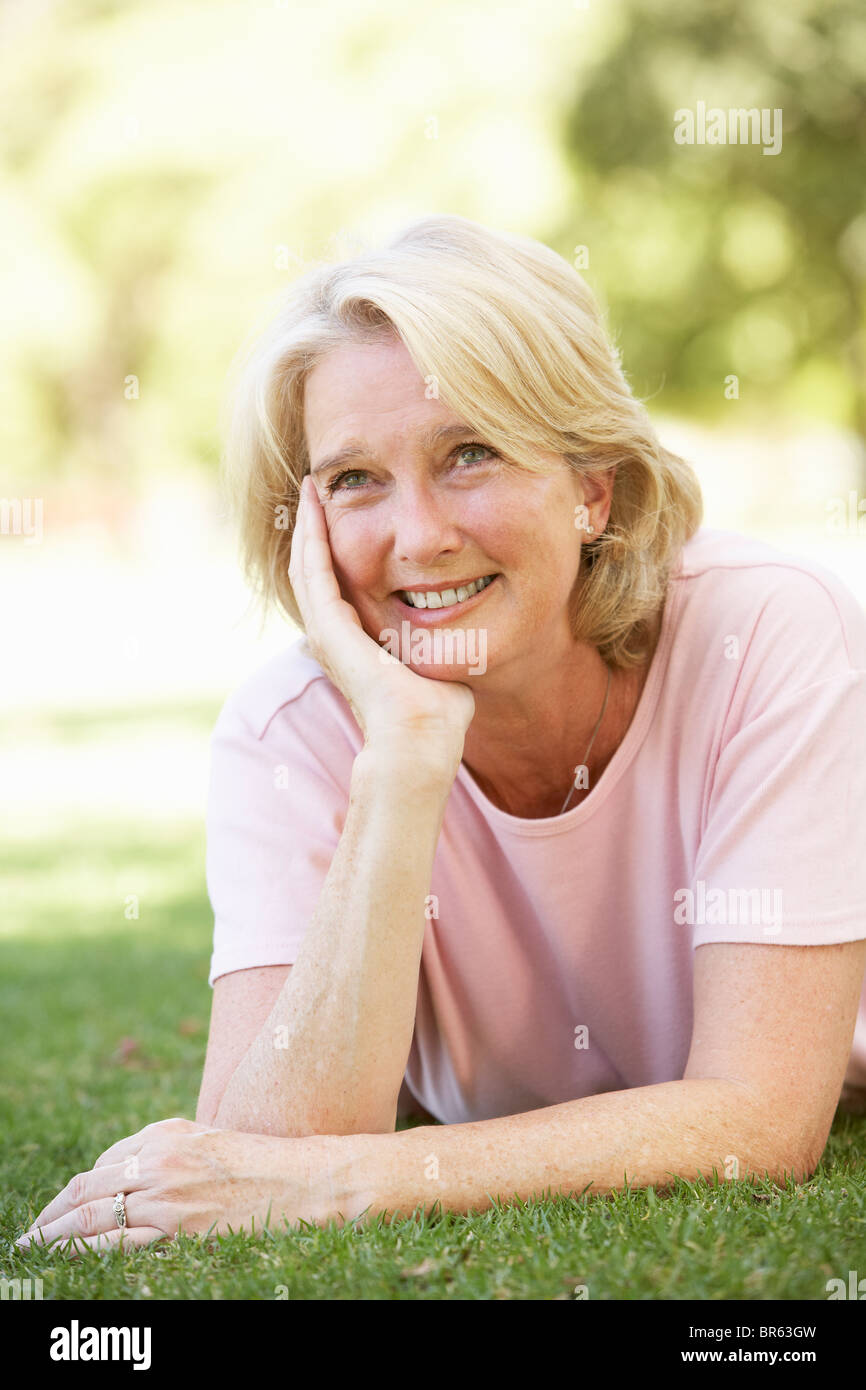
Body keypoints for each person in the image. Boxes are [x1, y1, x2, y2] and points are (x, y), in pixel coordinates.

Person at [18, 214, 866, 1254]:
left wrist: (364, 1177)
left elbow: (760, 1116)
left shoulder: (763, 631)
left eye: (469, 453)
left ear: (590, 487)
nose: (417, 538)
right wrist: (405, 755)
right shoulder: (286, 736)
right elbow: (255, 1160)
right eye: (353, 479)